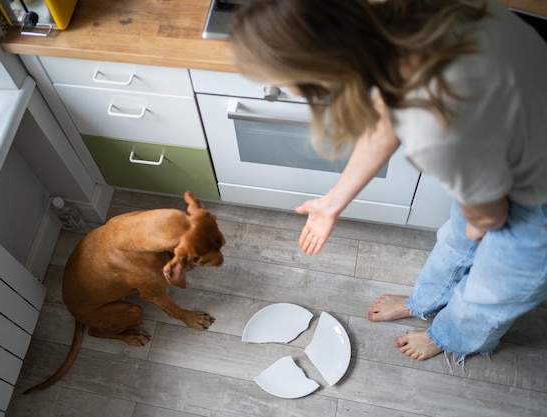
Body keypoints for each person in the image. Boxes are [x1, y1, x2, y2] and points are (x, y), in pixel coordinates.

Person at [230, 0, 547, 361]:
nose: (280, 88)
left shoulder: (432, 122)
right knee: (454, 242)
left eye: (278, 79)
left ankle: (450, 337)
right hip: (511, 141)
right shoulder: (397, 22)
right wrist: (332, 203)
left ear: (318, 71)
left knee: (490, 294)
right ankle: (424, 302)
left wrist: (480, 225)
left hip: (536, 199)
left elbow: (491, 215)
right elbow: (387, 118)